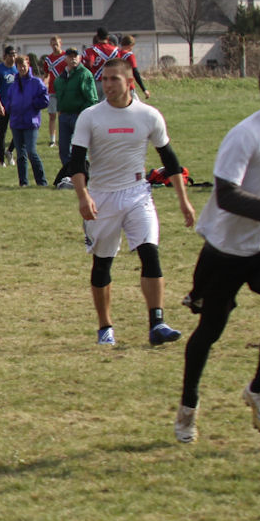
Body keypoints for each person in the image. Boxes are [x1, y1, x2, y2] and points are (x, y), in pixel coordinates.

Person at [174, 60, 260, 443]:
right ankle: (188, 407)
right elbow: (226, 195)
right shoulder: (246, 134)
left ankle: (257, 390)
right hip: (226, 250)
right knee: (210, 330)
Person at [69, 57, 195, 347]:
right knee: (103, 264)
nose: (108, 84)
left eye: (114, 79)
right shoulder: (90, 116)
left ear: (129, 83)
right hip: (101, 197)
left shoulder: (148, 115)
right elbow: (76, 162)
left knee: (150, 253)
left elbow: (170, 161)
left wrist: (184, 201)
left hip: (138, 193)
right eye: (104, 79)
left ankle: (157, 323)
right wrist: (83, 196)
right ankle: (105, 327)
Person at [52, 46, 99, 187]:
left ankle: (83, 175)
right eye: (70, 56)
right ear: (65, 58)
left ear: (79, 58)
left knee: (80, 148)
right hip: (64, 116)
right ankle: (69, 175)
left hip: (78, 115)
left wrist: (82, 114)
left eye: (75, 56)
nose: (73, 59)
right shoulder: (62, 77)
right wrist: (60, 109)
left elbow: (92, 98)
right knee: (64, 149)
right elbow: (59, 94)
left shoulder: (84, 74)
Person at [5, 54, 50, 187]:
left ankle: (41, 181)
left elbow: (45, 99)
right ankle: (23, 182)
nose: (22, 69)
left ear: (28, 65)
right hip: (16, 122)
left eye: (24, 66)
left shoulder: (36, 83)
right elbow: (8, 100)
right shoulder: (14, 85)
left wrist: (33, 104)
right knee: (20, 154)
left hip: (31, 122)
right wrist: (10, 107)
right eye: (19, 66)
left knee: (31, 151)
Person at [0, 45, 19, 166]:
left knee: (19, 131)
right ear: (5, 56)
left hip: (16, 106)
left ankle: (10, 151)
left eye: (14, 55)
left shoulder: (18, 69)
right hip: (3, 106)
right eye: (10, 55)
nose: (13, 58)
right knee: (2, 133)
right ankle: (2, 161)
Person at [42, 36, 67, 146]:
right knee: (52, 115)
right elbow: (46, 74)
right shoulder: (48, 59)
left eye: (56, 44)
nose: (54, 46)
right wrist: (43, 84)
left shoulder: (66, 57)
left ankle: (62, 138)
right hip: (52, 90)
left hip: (64, 91)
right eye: (52, 44)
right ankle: (52, 140)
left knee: (62, 116)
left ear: (61, 43)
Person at [118, 34, 151, 100]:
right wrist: (144, 89)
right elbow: (135, 72)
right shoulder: (129, 55)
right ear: (130, 45)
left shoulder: (115, 53)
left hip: (116, 85)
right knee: (136, 105)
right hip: (128, 85)